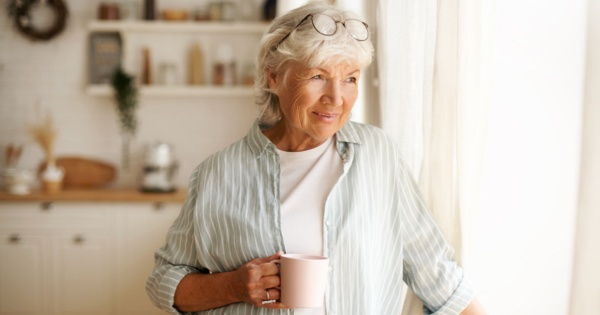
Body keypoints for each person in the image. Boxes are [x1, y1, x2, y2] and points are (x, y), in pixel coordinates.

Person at [146, 1, 486, 314]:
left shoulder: (378, 155)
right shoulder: (217, 173)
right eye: (318, 76)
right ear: (274, 77)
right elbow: (164, 280)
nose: (336, 98)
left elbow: (435, 271)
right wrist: (234, 285)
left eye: (350, 79)